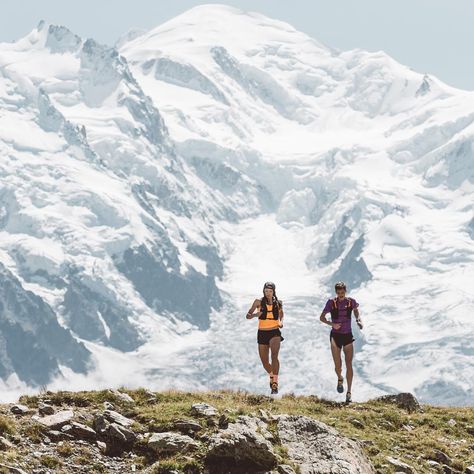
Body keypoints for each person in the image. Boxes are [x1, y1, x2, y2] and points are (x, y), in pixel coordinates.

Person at [320, 281, 363, 403]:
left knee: (349, 363)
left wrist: (358, 320)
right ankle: (340, 378)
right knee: (338, 366)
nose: (340, 295)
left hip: (347, 336)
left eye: (342, 292)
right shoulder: (331, 303)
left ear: (345, 291)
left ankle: (349, 392)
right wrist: (332, 324)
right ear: (336, 292)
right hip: (335, 336)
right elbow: (321, 317)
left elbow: (355, 310)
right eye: (338, 293)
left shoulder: (351, 301)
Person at [246, 281, 284, 394]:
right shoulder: (258, 302)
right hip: (262, 333)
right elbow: (247, 316)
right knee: (265, 362)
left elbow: (281, 315)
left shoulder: (279, 303)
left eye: (270, 291)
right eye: (266, 291)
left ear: (273, 292)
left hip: (274, 332)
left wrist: (281, 322)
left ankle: (275, 383)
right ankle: (271, 376)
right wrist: (254, 315)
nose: (268, 293)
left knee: (274, 355)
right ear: (263, 291)